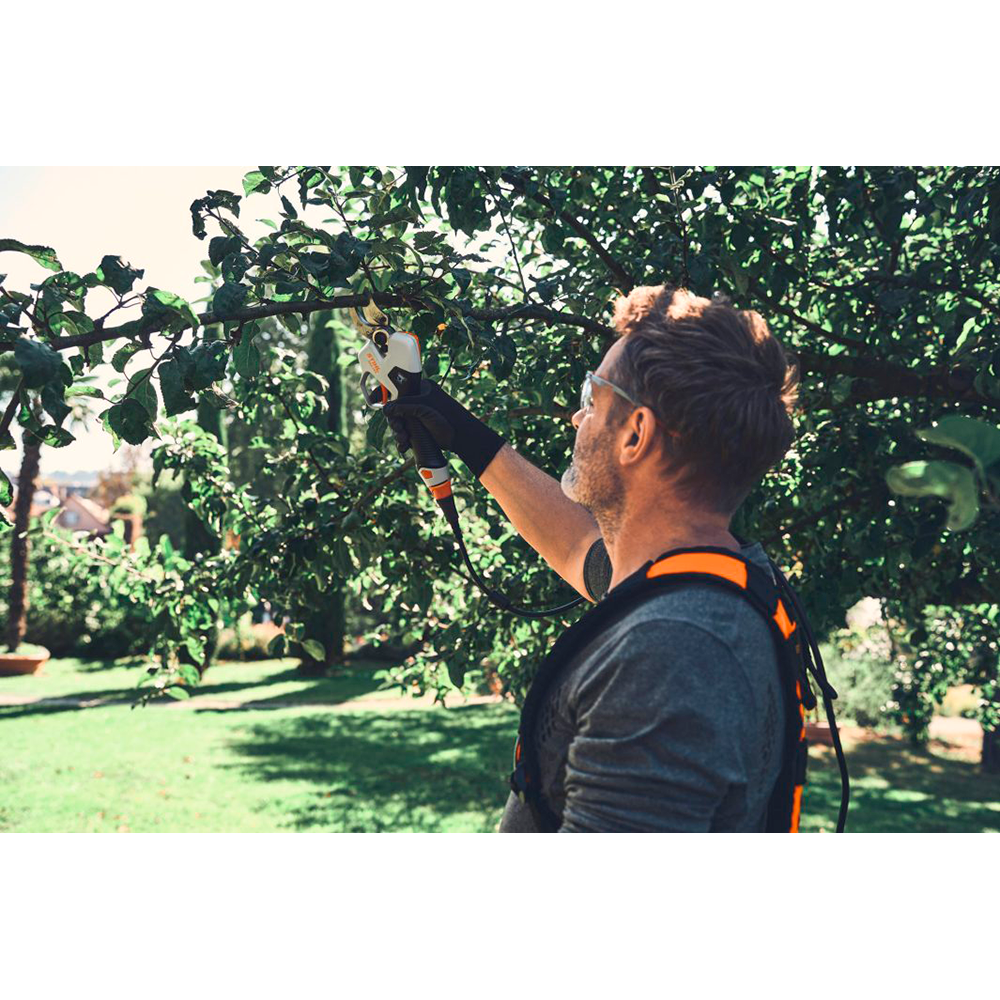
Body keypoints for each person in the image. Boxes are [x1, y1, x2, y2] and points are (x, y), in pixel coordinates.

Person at [383, 285, 800, 832]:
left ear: (636, 434)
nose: (577, 419)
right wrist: (458, 430)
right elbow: (579, 549)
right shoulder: (704, 588)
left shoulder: (669, 653)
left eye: (592, 398)